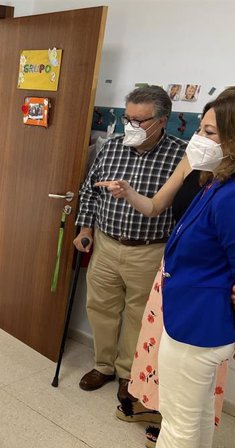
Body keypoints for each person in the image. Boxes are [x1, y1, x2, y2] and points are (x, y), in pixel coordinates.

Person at [118, 88, 235, 448]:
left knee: (179, 423)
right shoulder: (219, 183)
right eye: (200, 128)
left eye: (210, 132)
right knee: (194, 421)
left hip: (197, 326)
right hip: (196, 318)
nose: (200, 139)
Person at [73, 86, 187, 406]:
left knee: (139, 316)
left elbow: (186, 208)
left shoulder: (182, 155)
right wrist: (85, 228)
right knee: (100, 308)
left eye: (140, 120)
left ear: (162, 121)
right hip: (107, 244)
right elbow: (90, 190)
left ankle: (128, 374)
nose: (131, 126)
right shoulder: (112, 148)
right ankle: (103, 366)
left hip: (150, 249)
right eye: (127, 118)